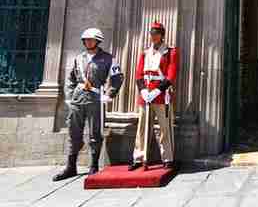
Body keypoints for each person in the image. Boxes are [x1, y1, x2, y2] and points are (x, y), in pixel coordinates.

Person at [53, 28, 123, 181]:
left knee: (95, 133)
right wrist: (70, 97)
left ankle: (94, 165)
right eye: (85, 40)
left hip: (95, 99)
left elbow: (117, 78)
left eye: (90, 40)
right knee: (74, 131)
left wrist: (109, 94)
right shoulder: (79, 58)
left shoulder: (109, 58)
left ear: (98, 41)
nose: (87, 42)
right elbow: (71, 79)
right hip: (78, 99)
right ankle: (71, 166)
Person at [128, 21, 179, 170]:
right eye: (152, 34)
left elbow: (171, 74)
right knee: (142, 127)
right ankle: (139, 157)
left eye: (156, 33)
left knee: (165, 128)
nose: (153, 36)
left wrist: (158, 91)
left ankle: (167, 157)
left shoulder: (170, 52)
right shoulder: (145, 52)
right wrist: (143, 90)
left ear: (162, 35)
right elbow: (138, 74)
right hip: (146, 95)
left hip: (162, 95)